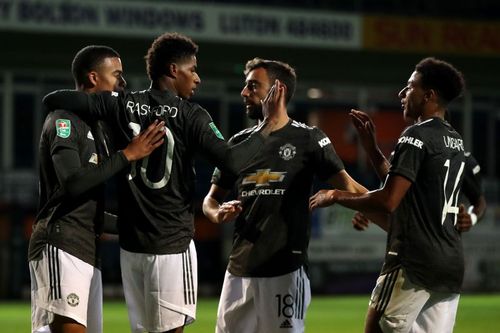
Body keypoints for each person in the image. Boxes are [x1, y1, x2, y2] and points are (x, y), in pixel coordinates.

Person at [42, 33, 282, 333]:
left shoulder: (123, 103)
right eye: (192, 69)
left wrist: (103, 100)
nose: (197, 78)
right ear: (173, 70)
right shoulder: (191, 114)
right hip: (170, 243)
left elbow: (56, 99)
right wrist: (268, 126)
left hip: (131, 250)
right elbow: (232, 162)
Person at [202, 58, 367, 333]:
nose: (244, 92)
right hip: (238, 272)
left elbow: (351, 186)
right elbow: (210, 200)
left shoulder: (309, 139)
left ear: (276, 90)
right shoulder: (239, 143)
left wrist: (367, 206)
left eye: (253, 86)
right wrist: (216, 213)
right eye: (245, 86)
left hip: (284, 270)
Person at [309, 57, 467, 333]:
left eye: (410, 87)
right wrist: (371, 148)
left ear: (428, 95)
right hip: (449, 266)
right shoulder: (454, 140)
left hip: (413, 263)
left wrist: (335, 195)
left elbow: (389, 199)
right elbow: (403, 188)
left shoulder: (414, 135)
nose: (402, 94)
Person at [28, 46, 165, 333]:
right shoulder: (63, 120)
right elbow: (74, 183)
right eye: (116, 75)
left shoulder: (99, 128)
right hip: (60, 241)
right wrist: (126, 155)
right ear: (93, 77)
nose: (122, 82)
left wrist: (139, 225)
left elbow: (91, 211)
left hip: (87, 247)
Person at [349, 110, 486, 233]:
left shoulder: (463, 159)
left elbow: (480, 202)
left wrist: (472, 218)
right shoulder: (402, 153)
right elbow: (390, 197)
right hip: (407, 244)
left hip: (443, 243)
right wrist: (371, 210)